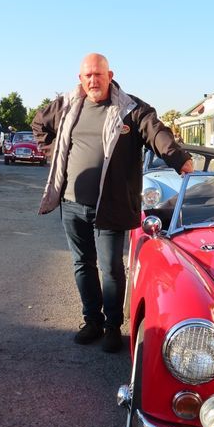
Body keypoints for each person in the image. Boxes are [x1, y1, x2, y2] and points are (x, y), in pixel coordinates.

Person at [32, 53, 190, 352]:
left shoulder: (130, 108)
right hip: (72, 201)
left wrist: (179, 158)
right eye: (88, 75)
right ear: (81, 78)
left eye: (98, 74)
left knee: (111, 268)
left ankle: (112, 326)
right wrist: (55, 154)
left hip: (112, 203)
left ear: (110, 75)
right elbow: (40, 124)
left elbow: (155, 132)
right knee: (82, 263)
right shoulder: (67, 105)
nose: (93, 80)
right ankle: (91, 320)